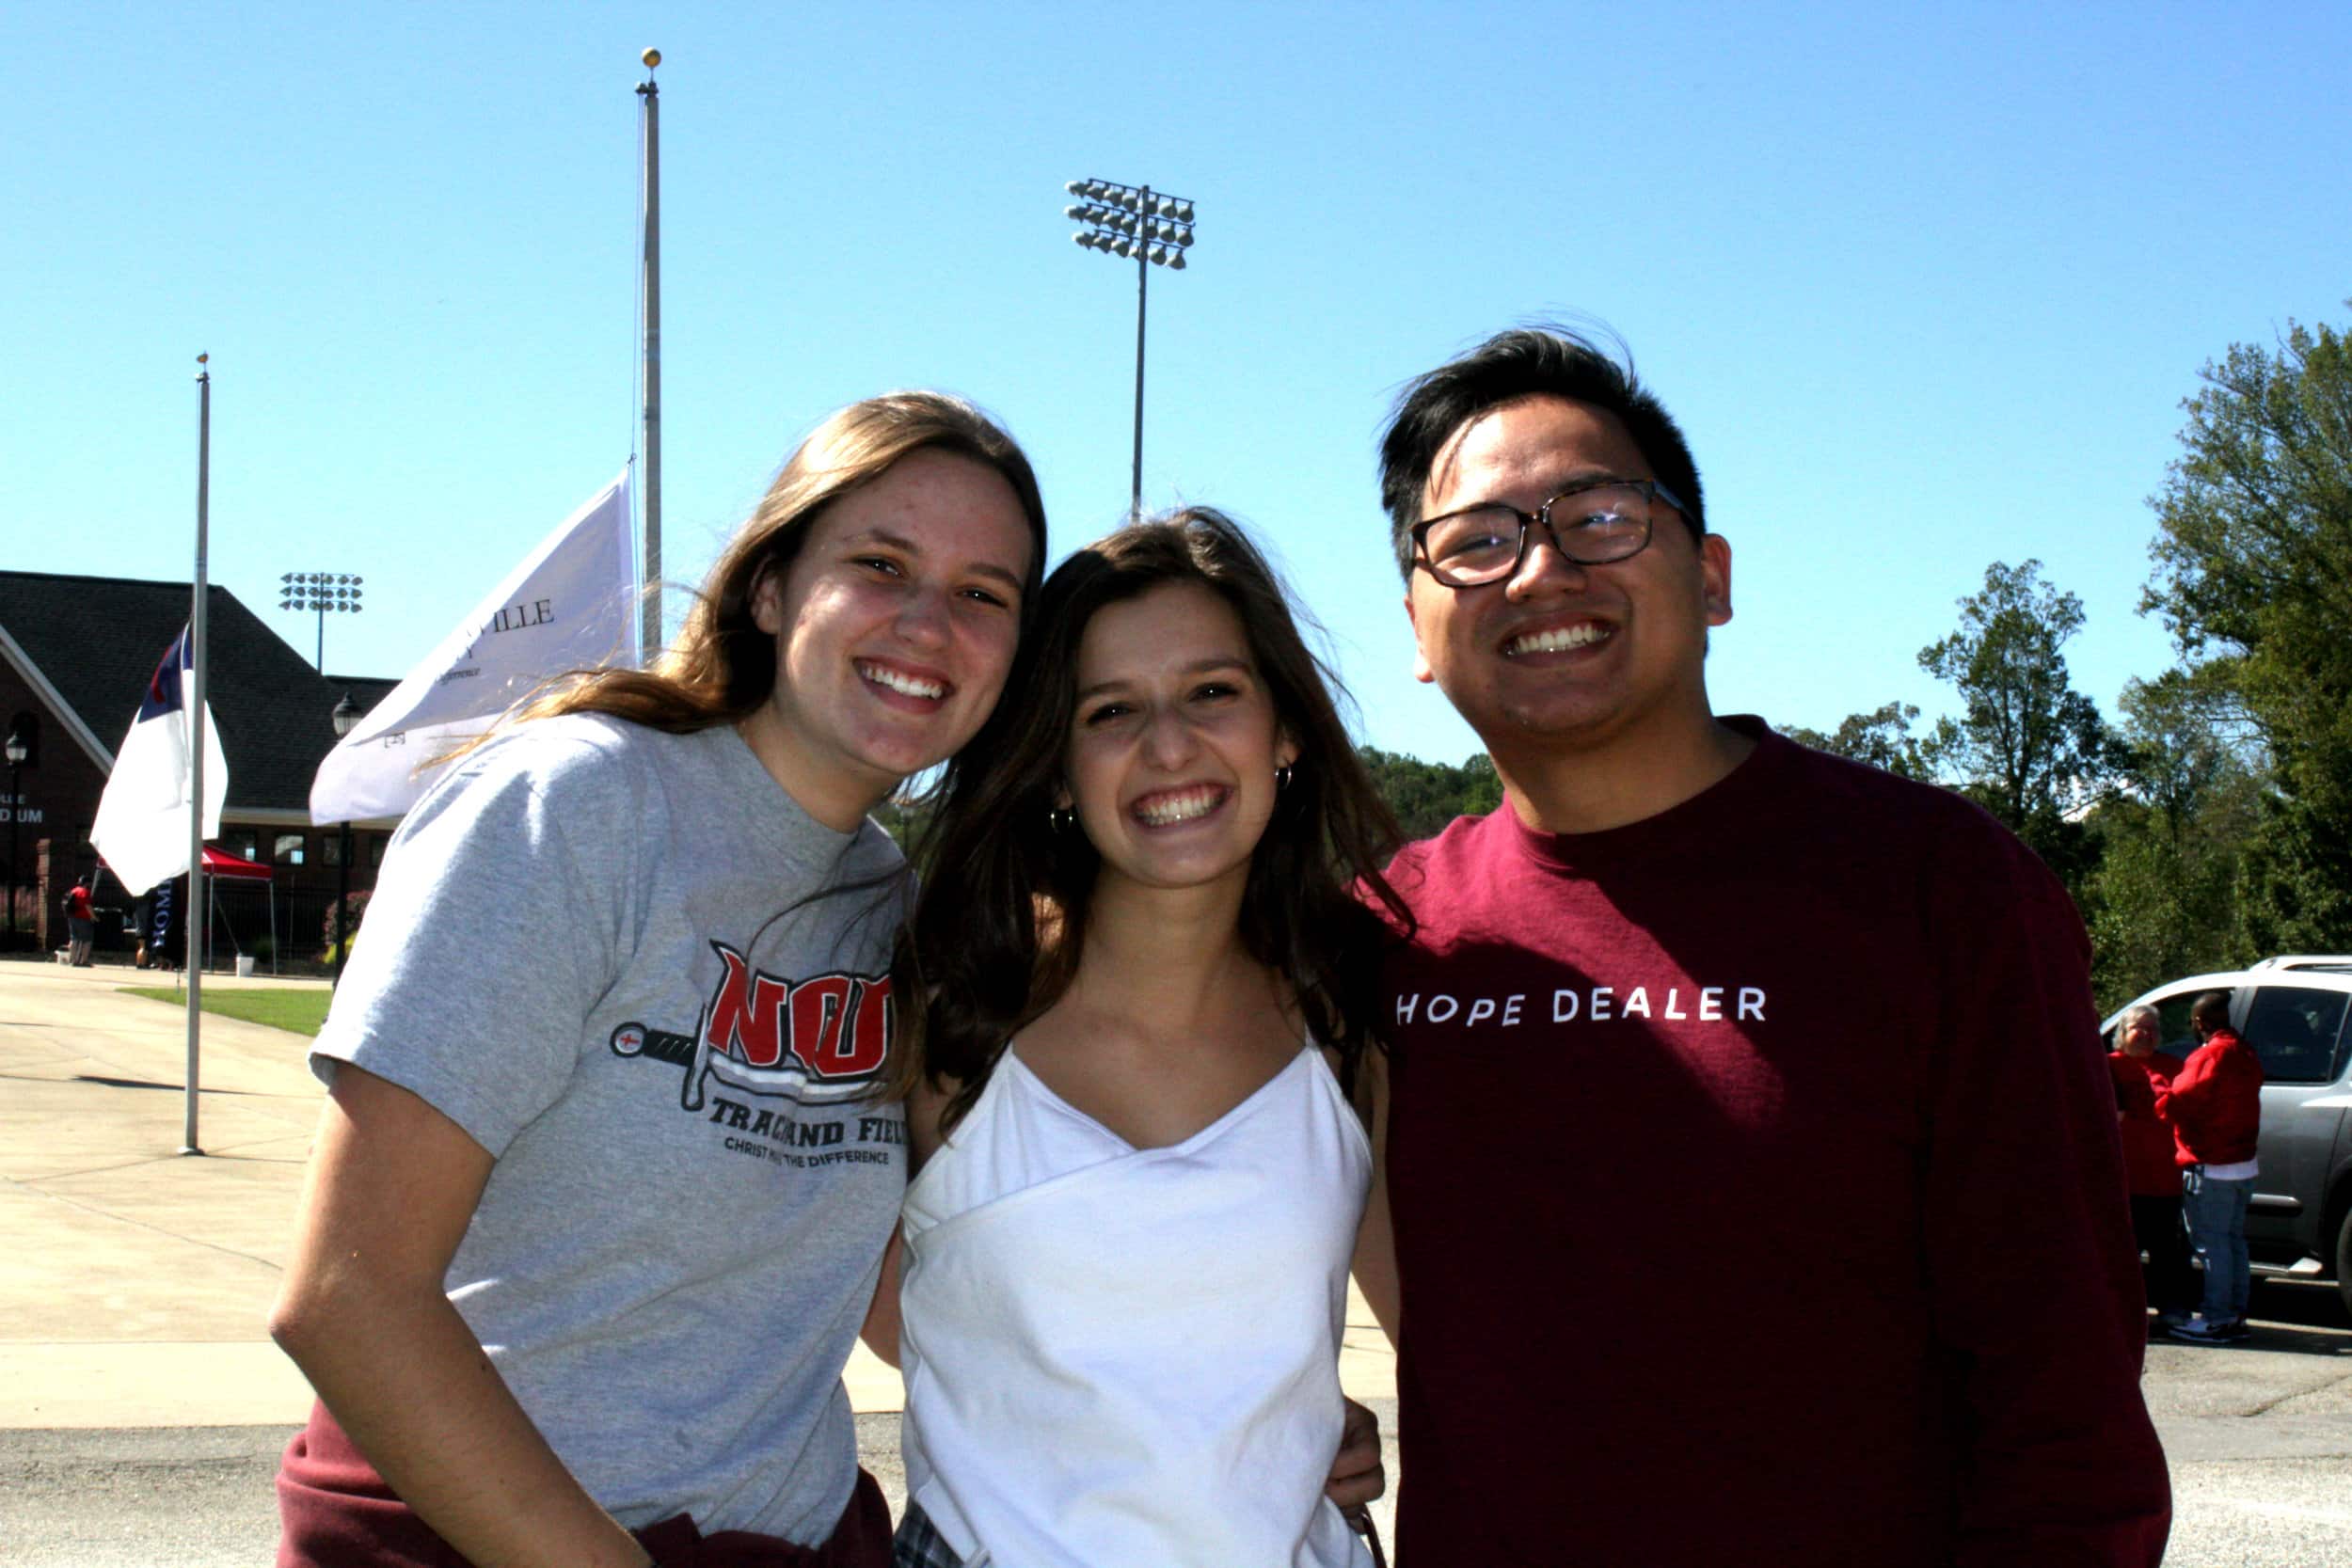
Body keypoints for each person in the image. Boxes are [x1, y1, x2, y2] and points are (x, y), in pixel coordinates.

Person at [1368, 326, 2170, 1564]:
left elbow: (2063, 1402)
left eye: (1600, 515)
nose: (1540, 571)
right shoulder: (1380, 934)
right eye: (1477, 540)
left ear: (1712, 577)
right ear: (1417, 630)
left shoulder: (1938, 890)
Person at [268, 391, 1050, 1568]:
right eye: (880, 564)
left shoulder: (896, 909)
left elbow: (895, 1298)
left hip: (789, 1533)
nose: (928, 624)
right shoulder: (576, 805)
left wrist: (1233, 1412)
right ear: (773, 585)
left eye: (984, 593)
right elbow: (347, 1293)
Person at [883, 509, 1405, 1568]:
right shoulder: (946, 1017)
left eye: (1213, 691)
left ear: (1285, 728)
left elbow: (1453, 1353)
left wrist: (1284, 1417)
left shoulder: (1349, 1026)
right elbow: (855, 1294)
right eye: (1110, 710)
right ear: (1054, 768)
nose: (1170, 747)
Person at [2158, 990, 2265, 1343]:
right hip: (2242, 1164)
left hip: (2211, 1163)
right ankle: (2234, 1314)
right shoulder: (2245, 1051)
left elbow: (2179, 1101)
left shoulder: (2212, 1055)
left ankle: (2217, 1318)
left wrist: (2158, 1090)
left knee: (2212, 1245)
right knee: (2233, 1242)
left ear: (2200, 1022)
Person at [2109, 1003, 2195, 1325]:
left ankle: (2172, 1310)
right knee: (2122, 1253)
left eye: (2153, 1030)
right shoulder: (2108, 1066)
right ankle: (2123, 1314)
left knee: (2167, 1253)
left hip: (2165, 1178)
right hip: (2123, 1180)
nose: (2146, 1035)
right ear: (2123, 1033)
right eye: (2138, 1028)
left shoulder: (2174, 1066)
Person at [65, 876, 95, 966]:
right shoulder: (85, 892)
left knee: (74, 939)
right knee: (87, 940)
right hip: (83, 918)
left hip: (72, 918)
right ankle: (84, 961)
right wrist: (93, 916)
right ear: (87, 883)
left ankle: (73, 960)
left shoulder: (73, 890)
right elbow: (87, 906)